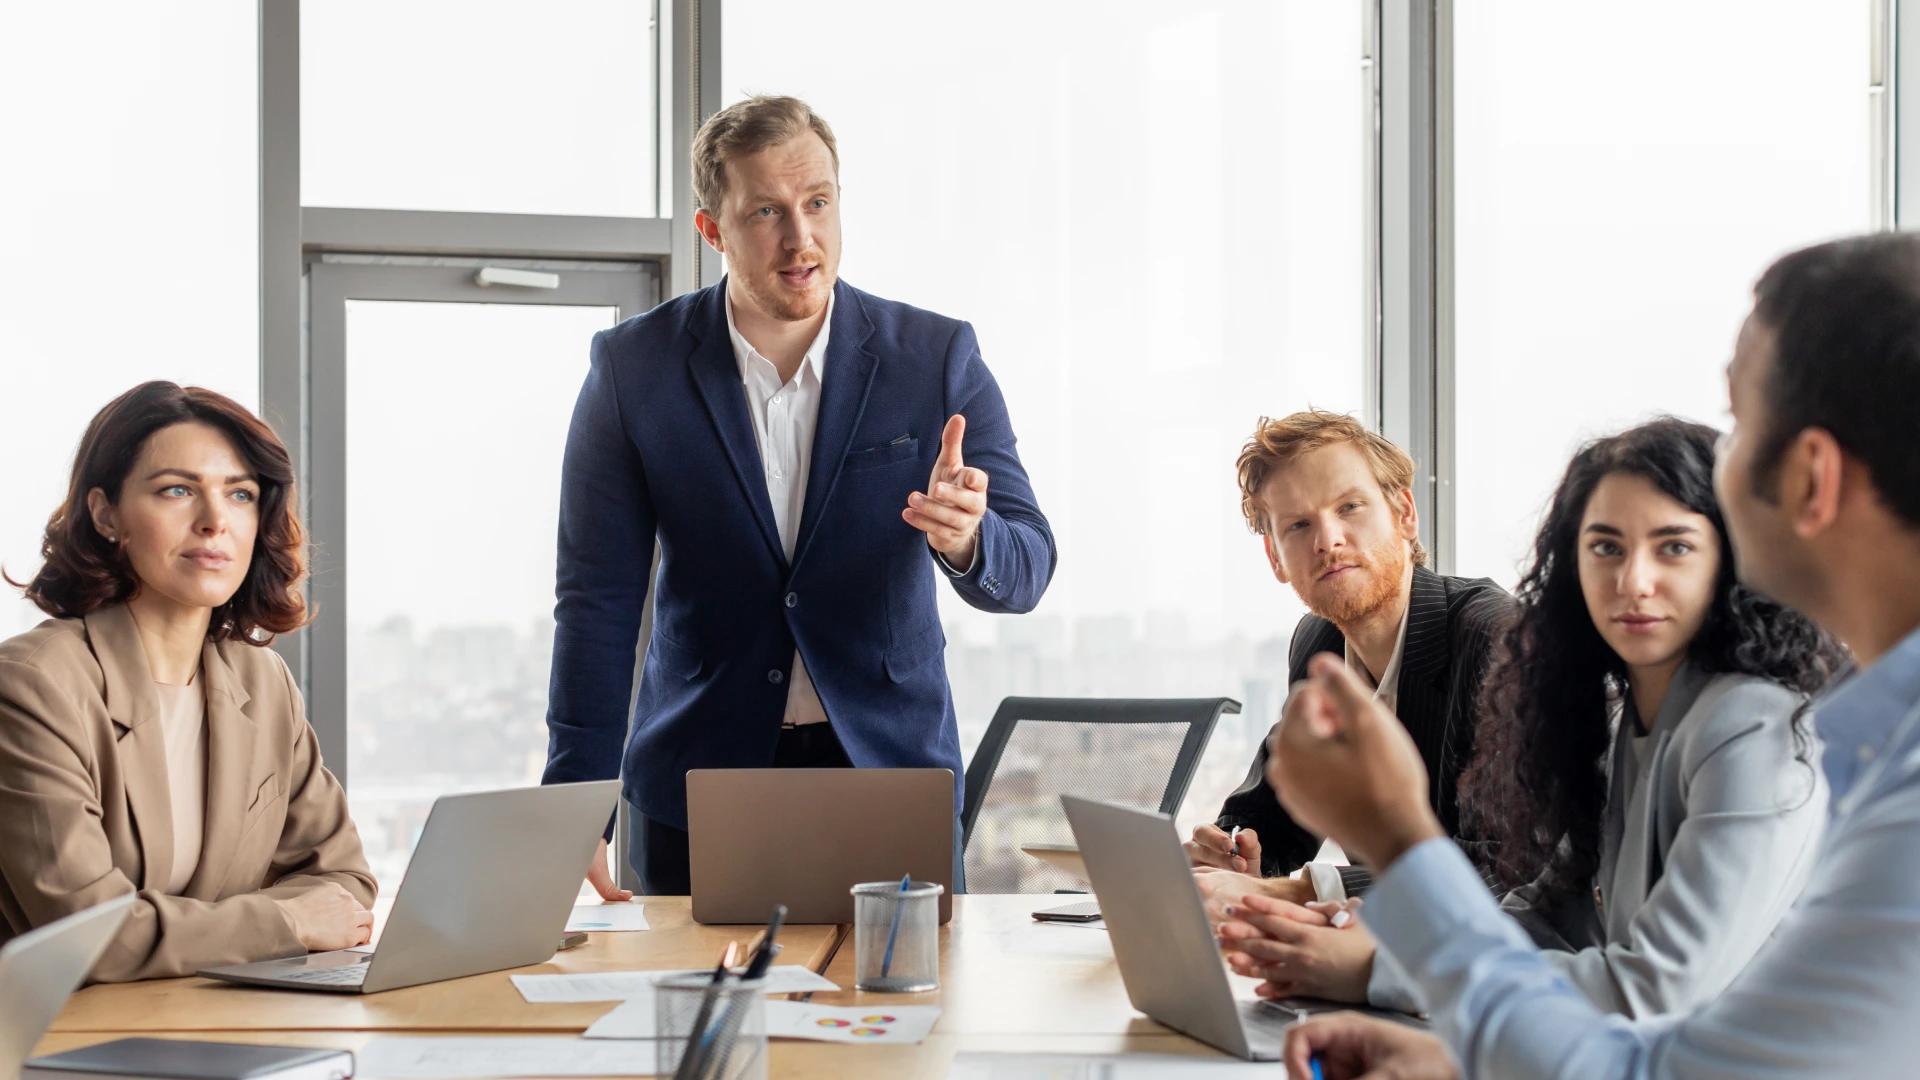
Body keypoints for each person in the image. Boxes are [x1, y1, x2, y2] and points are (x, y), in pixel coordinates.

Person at [1261, 232, 1920, 1078]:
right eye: (1605, 547)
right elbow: (1681, 1036)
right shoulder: (1853, 745)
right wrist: (1460, 1054)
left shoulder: (1796, 746)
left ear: (1812, 478)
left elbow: (1656, 1027)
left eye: (1740, 422)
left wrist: (1396, 836)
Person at [543, 95, 1055, 897]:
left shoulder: (934, 357)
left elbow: (1029, 566)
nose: (801, 238)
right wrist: (573, 805)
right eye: (766, 213)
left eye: (818, 203)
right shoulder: (630, 371)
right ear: (712, 229)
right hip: (698, 778)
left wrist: (968, 540)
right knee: (698, 1018)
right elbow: (596, 601)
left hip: (890, 774)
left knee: (902, 1015)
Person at [1218, 418, 1843, 1015]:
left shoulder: (1750, 726)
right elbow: (1551, 913)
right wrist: (1380, 953)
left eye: (1673, 546)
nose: (1634, 581)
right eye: (1605, 547)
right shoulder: (1643, 715)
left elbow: (1651, 986)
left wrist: (1380, 969)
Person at [0, 382, 376, 982]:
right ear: (105, 514)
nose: (214, 521)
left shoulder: (263, 679)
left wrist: (181, 933)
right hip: (62, 1046)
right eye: (176, 490)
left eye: (240, 494)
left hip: (220, 1020)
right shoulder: (33, 685)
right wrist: (287, 923)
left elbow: (344, 880)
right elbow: (87, 934)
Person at [1184, 411, 1511, 914]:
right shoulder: (1318, 641)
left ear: (1404, 513)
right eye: (1298, 525)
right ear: (1275, 557)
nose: (1327, 540)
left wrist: (1296, 891)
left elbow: (1507, 869)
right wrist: (1235, 854)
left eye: (1350, 506)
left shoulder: (1496, 639)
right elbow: (1277, 809)